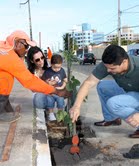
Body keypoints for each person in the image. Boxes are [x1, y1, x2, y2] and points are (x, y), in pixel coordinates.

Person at [70, 44, 139, 138]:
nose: (108, 70)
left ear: (124, 62)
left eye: (112, 68)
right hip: (128, 90)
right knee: (102, 86)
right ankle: (112, 118)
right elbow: (88, 83)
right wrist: (76, 106)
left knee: (113, 103)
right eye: (107, 67)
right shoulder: (108, 64)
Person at [0, 30, 68, 123]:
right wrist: (55, 90)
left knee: (5, 75)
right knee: (5, 78)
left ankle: (4, 108)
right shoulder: (11, 58)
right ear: (17, 43)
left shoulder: (3, 47)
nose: (27, 50)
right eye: (26, 46)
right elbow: (30, 82)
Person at [32, 54, 67, 121]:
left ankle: (60, 114)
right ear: (51, 64)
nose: (57, 69)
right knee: (50, 103)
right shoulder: (48, 71)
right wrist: (48, 83)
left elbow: (65, 80)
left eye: (58, 67)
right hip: (50, 93)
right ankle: (51, 114)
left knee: (61, 102)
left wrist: (62, 87)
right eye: (55, 67)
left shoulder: (62, 71)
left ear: (61, 64)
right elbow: (44, 81)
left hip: (59, 92)